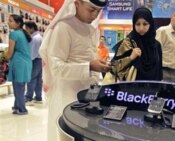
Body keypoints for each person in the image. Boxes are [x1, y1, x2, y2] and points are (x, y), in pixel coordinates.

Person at [38, 0, 110, 140]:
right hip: (66, 94)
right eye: (91, 9)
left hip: (86, 95)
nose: (95, 15)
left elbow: (90, 57)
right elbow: (57, 68)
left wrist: (96, 72)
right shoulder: (63, 27)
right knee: (65, 134)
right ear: (77, 3)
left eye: (98, 11)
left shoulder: (91, 29)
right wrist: (89, 66)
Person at [110, 7, 162, 82]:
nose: (141, 28)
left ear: (150, 24)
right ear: (134, 24)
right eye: (138, 24)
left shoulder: (156, 45)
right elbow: (114, 68)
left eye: (145, 24)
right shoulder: (128, 43)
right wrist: (130, 58)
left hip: (151, 89)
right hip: (131, 90)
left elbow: (159, 71)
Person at [5, 14, 32, 115]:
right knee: (20, 87)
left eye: (11, 21)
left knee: (18, 87)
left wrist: (4, 58)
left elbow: (10, 52)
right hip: (26, 63)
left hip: (19, 63)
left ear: (18, 23)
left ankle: (22, 109)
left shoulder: (14, 34)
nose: (8, 22)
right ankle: (17, 106)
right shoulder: (23, 33)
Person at [24, 21, 43, 104]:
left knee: (31, 79)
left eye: (27, 28)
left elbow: (33, 53)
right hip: (39, 60)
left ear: (31, 28)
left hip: (34, 60)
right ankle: (38, 97)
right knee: (38, 79)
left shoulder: (34, 38)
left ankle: (28, 97)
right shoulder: (39, 36)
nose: (26, 30)